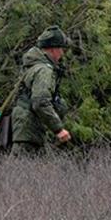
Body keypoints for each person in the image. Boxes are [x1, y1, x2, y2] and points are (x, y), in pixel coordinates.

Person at [10, 25, 72, 155]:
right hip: (29, 130)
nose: (62, 53)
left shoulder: (33, 66)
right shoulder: (44, 70)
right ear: (53, 49)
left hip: (27, 128)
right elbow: (40, 102)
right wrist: (58, 129)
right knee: (20, 170)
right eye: (61, 48)